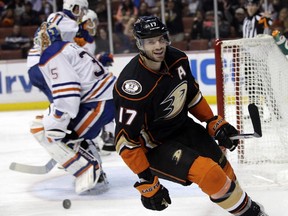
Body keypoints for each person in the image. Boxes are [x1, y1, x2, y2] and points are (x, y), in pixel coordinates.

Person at [113, 16, 268, 215]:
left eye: (161, 39)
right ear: (140, 44)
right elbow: (126, 141)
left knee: (224, 170)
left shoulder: (177, 58)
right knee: (210, 174)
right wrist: (146, 180)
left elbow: (191, 95)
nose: (158, 46)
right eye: (151, 42)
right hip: (155, 145)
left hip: (183, 127)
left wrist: (212, 121)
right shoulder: (133, 86)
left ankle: (246, 208)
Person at [29, 22, 116, 194]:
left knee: (45, 129)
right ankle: (96, 173)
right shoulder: (70, 46)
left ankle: (88, 169)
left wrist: (59, 122)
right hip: (106, 99)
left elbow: (68, 91)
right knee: (67, 133)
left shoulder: (51, 53)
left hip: (99, 103)